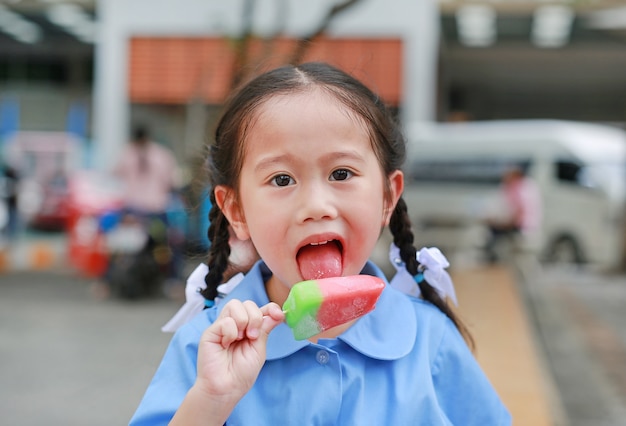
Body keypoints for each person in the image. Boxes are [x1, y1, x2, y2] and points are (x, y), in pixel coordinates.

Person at [130, 62, 511, 425]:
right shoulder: (206, 346)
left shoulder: (430, 340)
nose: (315, 207)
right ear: (236, 210)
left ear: (386, 197)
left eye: (341, 173)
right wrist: (211, 400)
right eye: (281, 179)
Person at [484, 165, 542, 263]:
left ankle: (493, 263)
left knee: (493, 234)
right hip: (531, 227)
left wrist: (502, 223)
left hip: (522, 228)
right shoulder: (528, 186)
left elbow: (519, 214)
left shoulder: (519, 188)